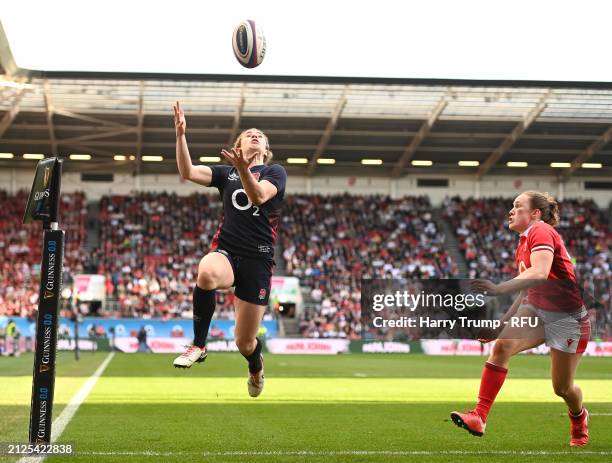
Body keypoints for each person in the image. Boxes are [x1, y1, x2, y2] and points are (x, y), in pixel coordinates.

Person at [450, 191, 590, 446]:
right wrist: (500, 326)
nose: (511, 211)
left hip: (567, 318)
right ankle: (479, 415)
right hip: (538, 312)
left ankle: (579, 417)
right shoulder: (523, 244)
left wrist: (498, 288)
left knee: (562, 389)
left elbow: (541, 272)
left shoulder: (541, 230)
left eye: (517, 206)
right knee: (502, 346)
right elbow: (527, 291)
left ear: (534, 214)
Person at [171, 101, 286, 398]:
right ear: (239, 144)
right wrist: (180, 135)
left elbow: (259, 197)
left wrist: (245, 170)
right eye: (249, 134)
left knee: (244, 342)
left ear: (266, 146)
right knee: (207, 271)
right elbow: (187, 172)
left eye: (260, 134)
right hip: (228, 251)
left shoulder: (275, 171)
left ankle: (255, 367)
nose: (255, 136)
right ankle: (198, 344)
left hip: (258, 261)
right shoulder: (226, 174)